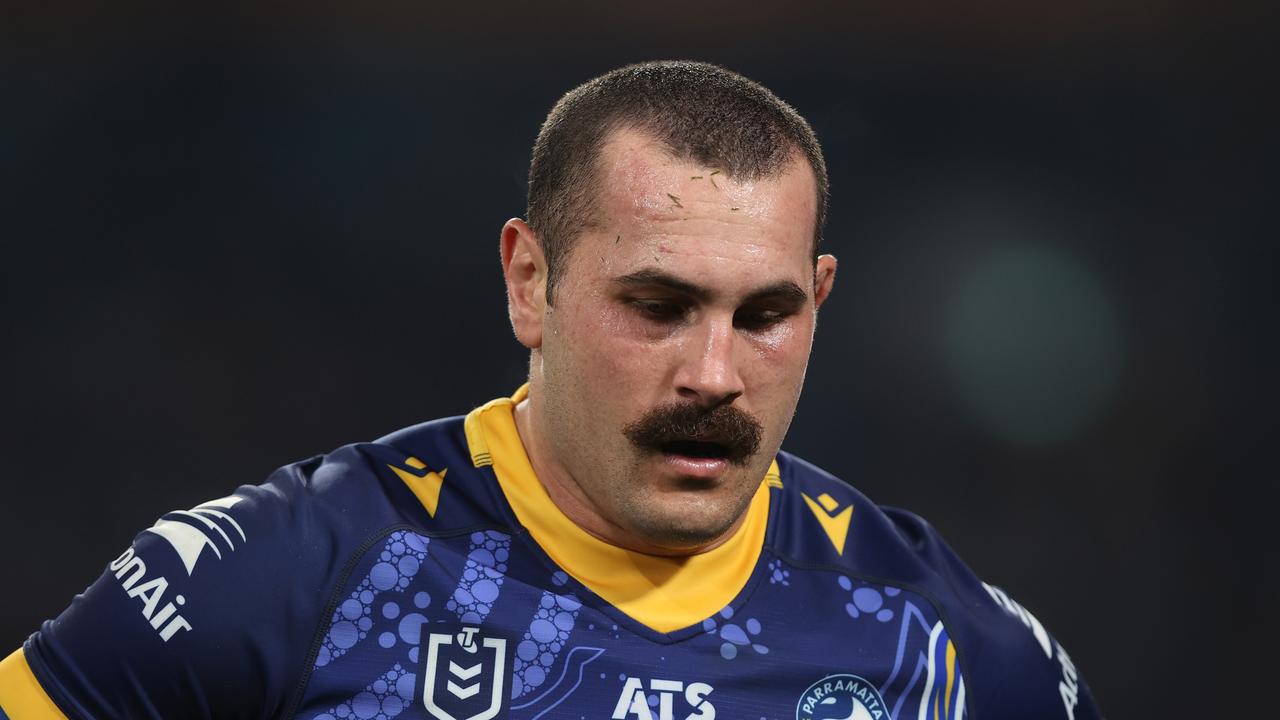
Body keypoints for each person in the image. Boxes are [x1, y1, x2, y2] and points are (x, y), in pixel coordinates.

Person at [0, 61, 1101, 720]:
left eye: (764, 316)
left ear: (818, 297)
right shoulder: (296, 579)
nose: (712, 377)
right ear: (530, 282)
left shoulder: (940, 644)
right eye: (657, 306)